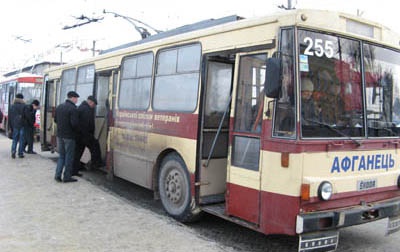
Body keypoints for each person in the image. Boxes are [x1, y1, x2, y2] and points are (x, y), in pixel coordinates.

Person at [73, 95, 102, 176]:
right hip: (84, 135)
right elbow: (86, 124)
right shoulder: (86, 110)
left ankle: (74, 170)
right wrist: (89, 135)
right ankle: (96, 164)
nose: (94, 106)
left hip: (80, 135)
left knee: (78, 153)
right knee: (95, 146)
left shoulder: (81, 107)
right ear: (90, 102)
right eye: (94, 104)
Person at [54, 91, 80, 183]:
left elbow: (56, 120)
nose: (77, 100)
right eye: (76, 98)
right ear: (72, 98)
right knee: (69, 156)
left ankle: (57, 175)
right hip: (69, 136)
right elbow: (74, 124)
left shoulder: (60, 107)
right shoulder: (73, 109)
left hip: (60, 135)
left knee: (61, 156)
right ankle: (67, 176)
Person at [9, 93, 26, 159]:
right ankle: (20, 153)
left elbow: (10, 117)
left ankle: (13, 151)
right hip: (22, 124)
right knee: (21, 139)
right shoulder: (24, 106)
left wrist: (11, 126)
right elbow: (26, 116)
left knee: (15, 139)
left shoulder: (12, 106)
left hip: (15, 125)